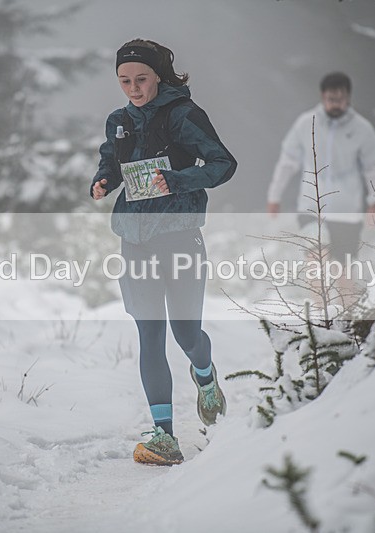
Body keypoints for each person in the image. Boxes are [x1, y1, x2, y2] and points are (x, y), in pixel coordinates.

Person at [91, 38, 237, 466]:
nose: (133, 89)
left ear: (159, 76)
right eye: (124, 81)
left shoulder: (184, 115)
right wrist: (103, 181)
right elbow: (112, 163)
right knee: (150, 335)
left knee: (186, 334)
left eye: (141, 79)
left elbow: (223, 164)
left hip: (181, 237)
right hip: (135, 239)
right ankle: (164, 436)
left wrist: (178, 181)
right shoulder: (118, 121)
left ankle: (205, 377)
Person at [266, 72, 375, 264]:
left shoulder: (362, 128)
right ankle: (315, 296)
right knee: (315, 260)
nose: (336, 104)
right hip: (310, 206)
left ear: (348, 98)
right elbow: (287, 162)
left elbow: (374, 165)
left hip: (346, 209)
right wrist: (274, 196)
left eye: (341, 99)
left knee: (343, 268)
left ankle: (346, 295)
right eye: (331, 99)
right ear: (323, 97)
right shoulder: (306, 123)